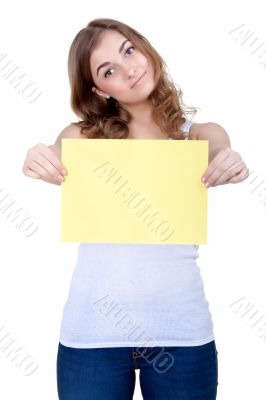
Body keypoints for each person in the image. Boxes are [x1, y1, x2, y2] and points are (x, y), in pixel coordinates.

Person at [22, 17, 249, 400]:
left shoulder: (196, 135)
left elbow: (218, 146)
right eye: (108, 69)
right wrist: (39, 157)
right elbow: (57, 152)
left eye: (129, 50)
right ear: (98, 88)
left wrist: (228, 160)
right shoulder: (83, 137)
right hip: (92, 338)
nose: (129, 69)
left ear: (144, 47)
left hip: (182, 336)